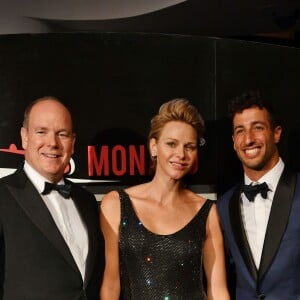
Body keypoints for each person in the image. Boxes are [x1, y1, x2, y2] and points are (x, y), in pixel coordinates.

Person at [100, 98, 230, 299]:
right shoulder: (116, 204)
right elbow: (110, 285)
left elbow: (218, 290)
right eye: (171, 144)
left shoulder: (205, 211)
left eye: (190, 147)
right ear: (154, 146)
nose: (180, 154)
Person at [0, 96, 105, 300]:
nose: (53, 143)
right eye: (41, 132)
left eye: (62, 134)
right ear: (24, 137)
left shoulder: (87, 201)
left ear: (72, 143)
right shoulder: (2, 196)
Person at [217, 91, 300, 299]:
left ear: (276, 133)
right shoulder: (224, 206)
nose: (249, 139)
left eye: (258, 128)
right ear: (234, 141)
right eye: (240, 131)